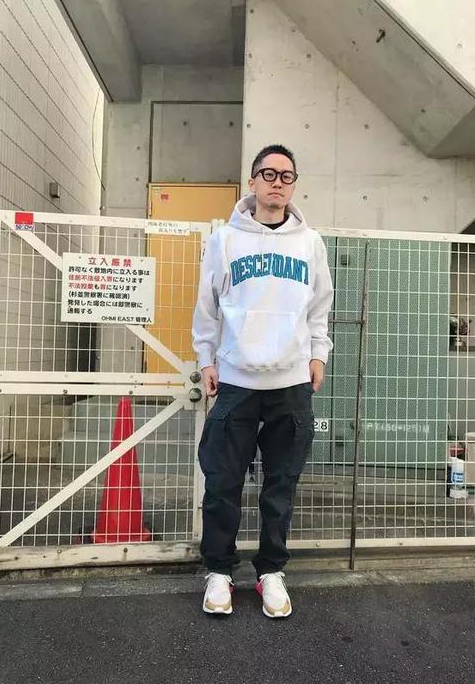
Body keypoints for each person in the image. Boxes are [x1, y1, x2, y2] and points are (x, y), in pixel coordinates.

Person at [192, 144, 334, 618]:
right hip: (236, 380)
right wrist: (206, 359)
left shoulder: (310, 242)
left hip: (291, 382)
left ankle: (271, 571)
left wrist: (318, 355)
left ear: (293, 185)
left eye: (286, 175)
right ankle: (219, 571)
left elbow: (319, 307)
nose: (277, 182)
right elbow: (207, 306)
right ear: (252, 181)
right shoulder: (224, 240)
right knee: (222, 482)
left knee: (281, 485)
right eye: (268, 174)